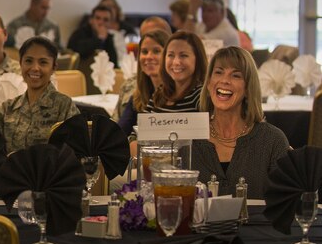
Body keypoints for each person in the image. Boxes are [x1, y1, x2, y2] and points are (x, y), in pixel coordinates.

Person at [192, 46, 289, 198]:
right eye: (218, 72)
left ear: (248, 88)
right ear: (209, 83)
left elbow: (287, 203)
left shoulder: (272, 140)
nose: (225, 80)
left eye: (236, 75)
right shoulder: (188, 138)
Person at [0, 37, 80, 153]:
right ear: (20, 64)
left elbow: (76, 154)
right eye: (28, 61)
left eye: (43, 62)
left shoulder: (64, 107)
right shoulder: (7, 109)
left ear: (54, 67)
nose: (35, 68)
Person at [116, 29, 171, 131]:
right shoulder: (138, 95)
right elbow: (120, 132)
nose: (149, 57)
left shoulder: (177, 94)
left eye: (156, 51)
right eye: (144, 52)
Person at [147, 31, 208, 113]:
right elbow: (142, 124)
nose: (176, 62)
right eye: (171, 55)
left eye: (183, 55)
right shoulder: (160, 93)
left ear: (198, 60)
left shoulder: (201, 97)